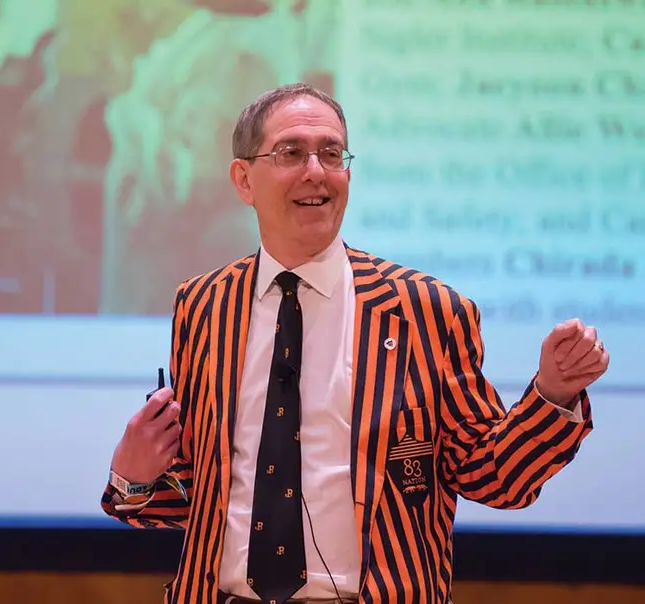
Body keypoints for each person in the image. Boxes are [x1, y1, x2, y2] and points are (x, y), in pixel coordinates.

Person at [99, 83, 609, 604]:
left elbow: (493, 476)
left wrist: (553, 394)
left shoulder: (425, 312)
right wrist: (133, 479)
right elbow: (207, 492)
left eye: (332, 154)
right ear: (244, 180)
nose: (316, 171)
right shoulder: (204, 304)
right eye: (291, 153)